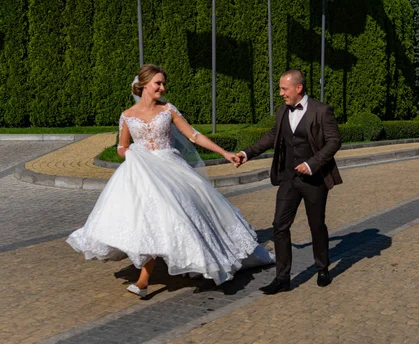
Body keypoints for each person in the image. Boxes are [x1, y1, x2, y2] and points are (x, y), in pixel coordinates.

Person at [67, 64, 274, 298]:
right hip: (140, 172)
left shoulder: (168, 109)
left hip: (170, 169)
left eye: (163, 83)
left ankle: (152, 277)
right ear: (144, 84)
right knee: (147, 220)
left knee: (171, 216)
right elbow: (121, 147)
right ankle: (146, 277)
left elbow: (193, 135)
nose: (162, 87)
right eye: (158, 83)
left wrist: (224, 153)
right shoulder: (127, 116)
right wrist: (131, 153)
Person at [236, 69, 342, 295]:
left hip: (314, 180)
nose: (281, 93)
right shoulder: (282, 111)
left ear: (298, 88)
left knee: (317, 225)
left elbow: (334, 141)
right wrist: (246, 153)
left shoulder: (321, 111)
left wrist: (312, 164)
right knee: (279, 226)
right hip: (288, 178)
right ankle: (282, 278)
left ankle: (322, 268)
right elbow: (271, 137)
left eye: (284, 88)